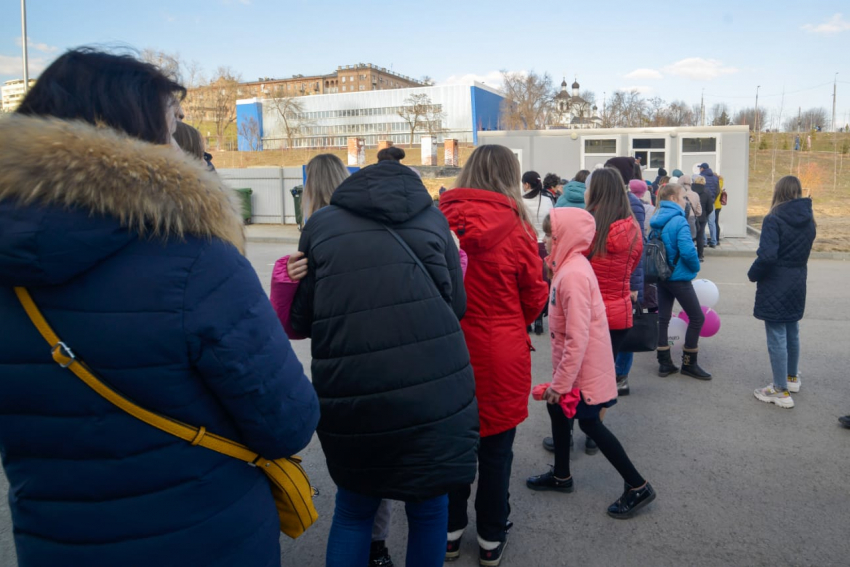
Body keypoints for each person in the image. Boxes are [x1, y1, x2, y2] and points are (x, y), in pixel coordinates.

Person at [0, 48, 320, 567]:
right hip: (205, 535)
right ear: (125, 137)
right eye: (171, 127)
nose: (182, 148)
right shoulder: (197, 260)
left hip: (57, 539)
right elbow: (287, 421)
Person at [289, 159, 478, 567]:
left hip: (352, 389)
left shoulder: (321, 225)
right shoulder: (434, 221)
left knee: (355, 510)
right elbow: (457, 307)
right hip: (432, 387)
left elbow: (300, 320)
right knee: (428, 510)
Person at [440, 145, 548, 566]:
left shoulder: (435, 222)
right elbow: (535, 295)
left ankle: (449, 533)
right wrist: (510, 321)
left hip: (447, 350)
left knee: (453, 446)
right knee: (497, 451)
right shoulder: (519, 229)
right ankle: (490, 537)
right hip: (501, 351)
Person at [525, 208, 656, 520]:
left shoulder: (572, 275)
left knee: (589, 422)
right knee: (556, 407)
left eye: (550, 235)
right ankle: (561, 476)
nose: (545, 241)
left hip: (583, 371)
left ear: (564, 237)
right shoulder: (570, 267)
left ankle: (638, 486)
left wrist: (561, 384)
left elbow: (577, 338)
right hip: (576, 368)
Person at [748, 176, 816, 409]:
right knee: (792, 329)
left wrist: (753, 273)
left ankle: (779, 390)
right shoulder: (809, 219)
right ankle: (791, 377)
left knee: (777, 333)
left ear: (778, 191)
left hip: (776, 281)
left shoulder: (773, 218)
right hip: (797, 280)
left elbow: (767, 255)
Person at [649, 184, 712, 380]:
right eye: (684, 197)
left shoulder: (655, 219)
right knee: (697, 318)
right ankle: (689, 363)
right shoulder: (679, 221)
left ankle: (664, 362)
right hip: (678, 277)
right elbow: (687, 251)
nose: (685, 201)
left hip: (661, 276)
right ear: (675, 199)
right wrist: (695, 268)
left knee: (663, 318)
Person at [613, 178, 649, 395]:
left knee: (626, 329)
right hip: (610, 278)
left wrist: (635, 285)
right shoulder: (601, 206)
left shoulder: (631, 204)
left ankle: (621, 376)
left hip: (626, 280)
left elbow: (638, 246)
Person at [522, 170, 557, 334]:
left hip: (527, 245)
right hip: (544, 246)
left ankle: (527, 320)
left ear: (527, 184)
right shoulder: (548, 200)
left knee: (527, 283)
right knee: (543, 283)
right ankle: (539, 321)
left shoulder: (520, 202)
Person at [691, 175, 713, 261]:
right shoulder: (707, 191)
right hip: (702, 217)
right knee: (700, 236)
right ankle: (700, 256)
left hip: (691, 216)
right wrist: (705, 214)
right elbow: (710, 207)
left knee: (690, 235)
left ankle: (690, 254)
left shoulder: (690, 190)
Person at [698, 163, 720, 247]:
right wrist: (713, 198)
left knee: (702, 222)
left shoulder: (700, 177)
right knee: (712, 223)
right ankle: (713, 241)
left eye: (700, 168)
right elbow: (718, 190)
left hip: (703, 203)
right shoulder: (715, 178)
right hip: (712, 203)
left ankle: (704, 241)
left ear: (702, 168)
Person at [679, 175, 702, 242]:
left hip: (680, 221)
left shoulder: (678, 194)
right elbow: (699, 212)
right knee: (691, 242)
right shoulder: (695, 194)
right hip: (692, 221)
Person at [714, 175, 725, 241]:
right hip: (718, 206)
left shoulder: (717, 185)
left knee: (715, 222)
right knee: (715, 222)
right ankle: (716, 237)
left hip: (716, 205)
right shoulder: (720, 183)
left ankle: (716, 237)